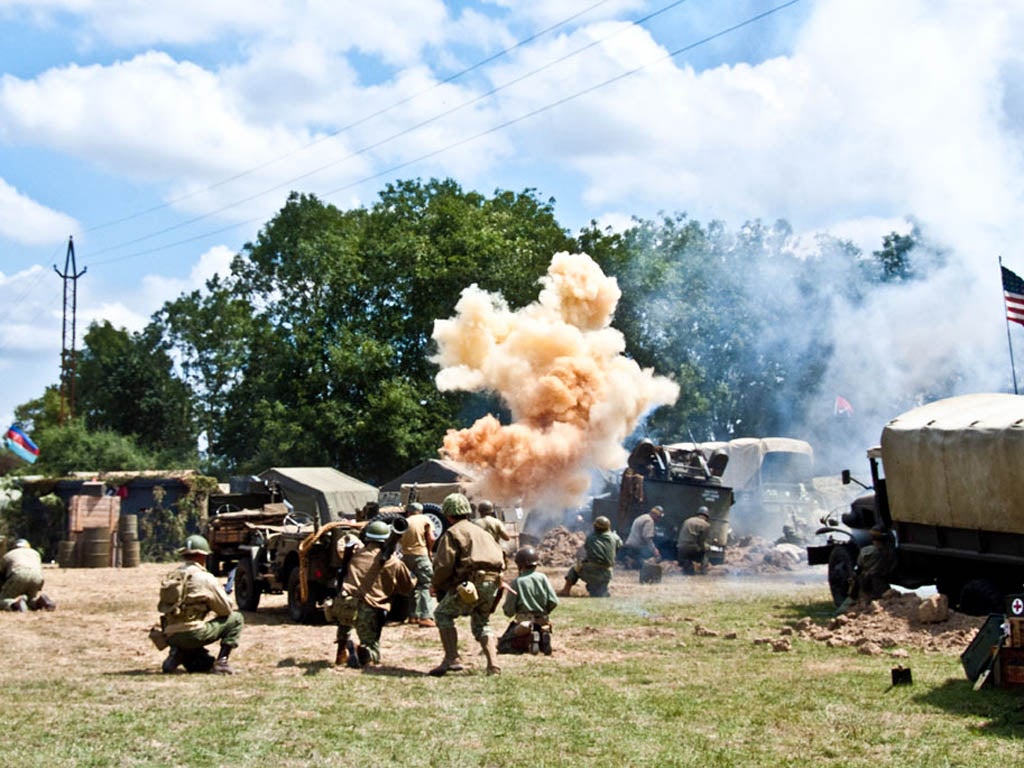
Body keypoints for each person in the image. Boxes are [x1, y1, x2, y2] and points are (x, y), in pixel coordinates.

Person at [429, 492, 506, 676]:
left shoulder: (453, 533)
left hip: (470, 583)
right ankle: (493, 665)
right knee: (482, 621)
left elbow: (444, 565)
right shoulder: (483, 533)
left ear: (447, 514)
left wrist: (436, 584)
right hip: (493, 581)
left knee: (442, 614)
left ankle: (452, 659)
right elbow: (501, 556)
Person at [329, 519, 415, 668]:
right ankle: (360, 651)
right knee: (371, 650)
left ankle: (342, 652)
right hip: (370, 608)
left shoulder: (355, 554)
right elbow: (406, 587)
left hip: (345, 603)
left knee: (344, 628)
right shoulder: (393, 562)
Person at [158, 534, 243, 675]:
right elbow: (225, 610)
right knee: (236, 619)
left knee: (202, 664)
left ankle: (176, 654)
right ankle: (222, 662)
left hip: (170, 635)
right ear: (202, 556)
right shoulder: (205, 578)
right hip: (193, 633)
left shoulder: (172, 576)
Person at [498, 546, 558, 655]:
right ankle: (542, 637)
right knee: (542, 628)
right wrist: (545, 612)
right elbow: (554, 601)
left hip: (524, 623)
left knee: (503, 644)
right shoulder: (543, 578)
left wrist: (507, 611)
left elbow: (509, 610)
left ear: (519, 565)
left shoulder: (517, 582)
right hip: (542, 621)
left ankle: (530, 639)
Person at [559, 516, 622, 597]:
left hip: (591, 571)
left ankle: (565, 591)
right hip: (606, 573)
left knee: (574, 570)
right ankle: (601, 591)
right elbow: (619, 546)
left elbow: (587, 552)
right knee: (599, 593)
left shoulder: (590, 537)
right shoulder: (614, 537)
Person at [399, 502, 436, 628]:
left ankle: (413, 616)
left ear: (408, 512)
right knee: (426, 584)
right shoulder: (425, 519)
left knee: (411, 585)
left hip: (406, 556)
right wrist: (430, 550)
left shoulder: (404, 521)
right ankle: (426, 616)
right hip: (421, 555)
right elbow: (431, 538)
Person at [1, 538, 55, 612]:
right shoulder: (35, 553)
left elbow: (1, 573)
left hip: (18, 575)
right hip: (37, 578)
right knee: (30, 600)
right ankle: (41, 601)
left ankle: (15, 604)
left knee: (3, 600)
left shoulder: (8, 555)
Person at [677, 507, 711, 575]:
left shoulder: (687, 520)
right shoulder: (706, 525)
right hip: (692, 548)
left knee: (686, 559)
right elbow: (701, 541)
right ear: (706, 516)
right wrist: (703, 548)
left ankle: (687, 569)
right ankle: (703, 571)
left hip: (681, 547)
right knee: (707, 549)